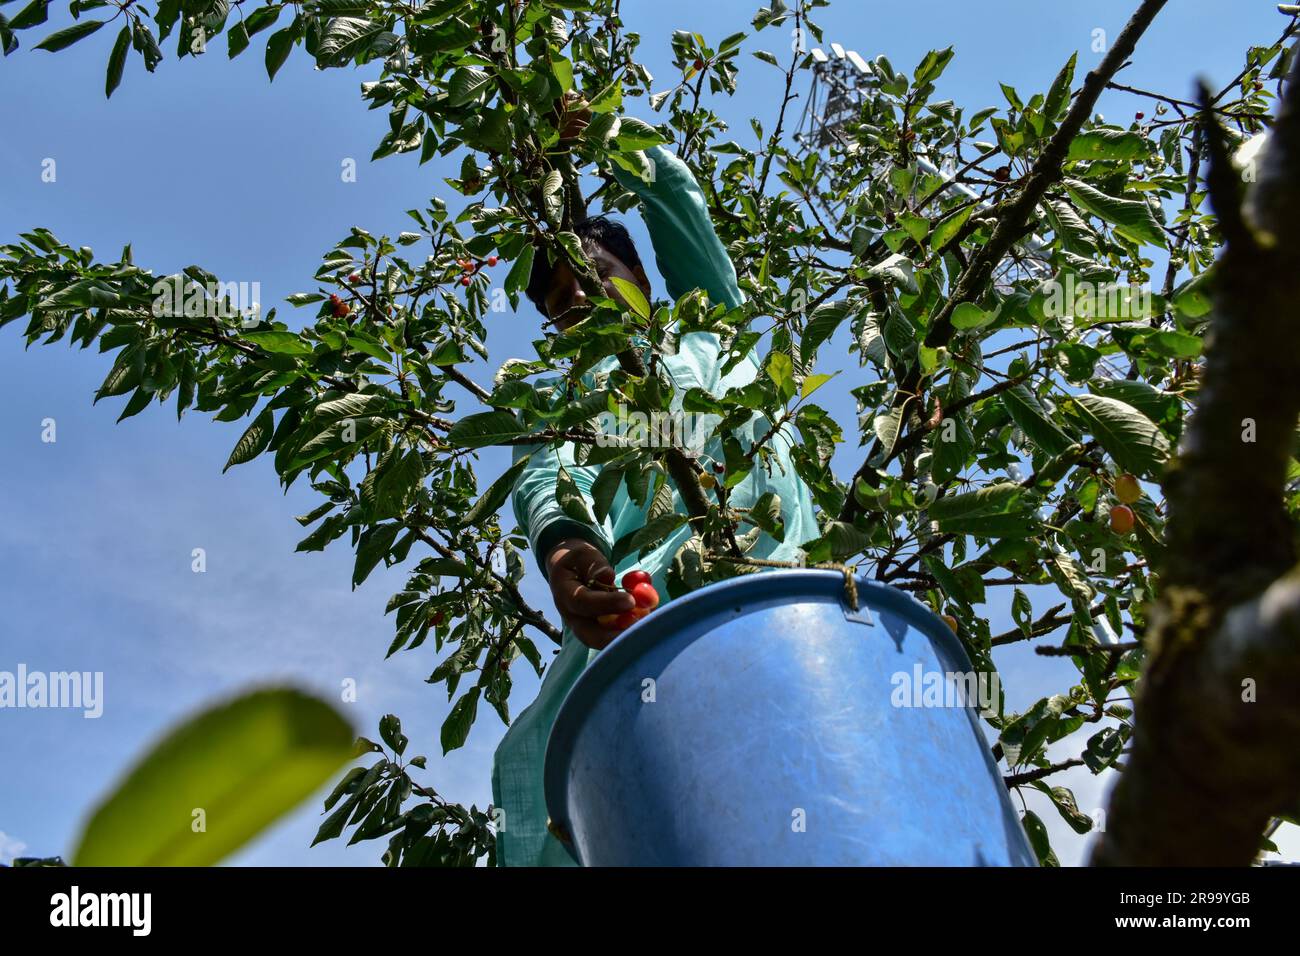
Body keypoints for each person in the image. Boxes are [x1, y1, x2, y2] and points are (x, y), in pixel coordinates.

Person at [490, 139, 820, 866]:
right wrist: (566, 544)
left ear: (640, 276)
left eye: (594, 274)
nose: (577, 299)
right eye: (558, 303)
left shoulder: (710, 333)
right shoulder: (560, 395)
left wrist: (602, 138)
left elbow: (675, 200)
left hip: (794, 620)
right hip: (655, 633)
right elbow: (548, 472)